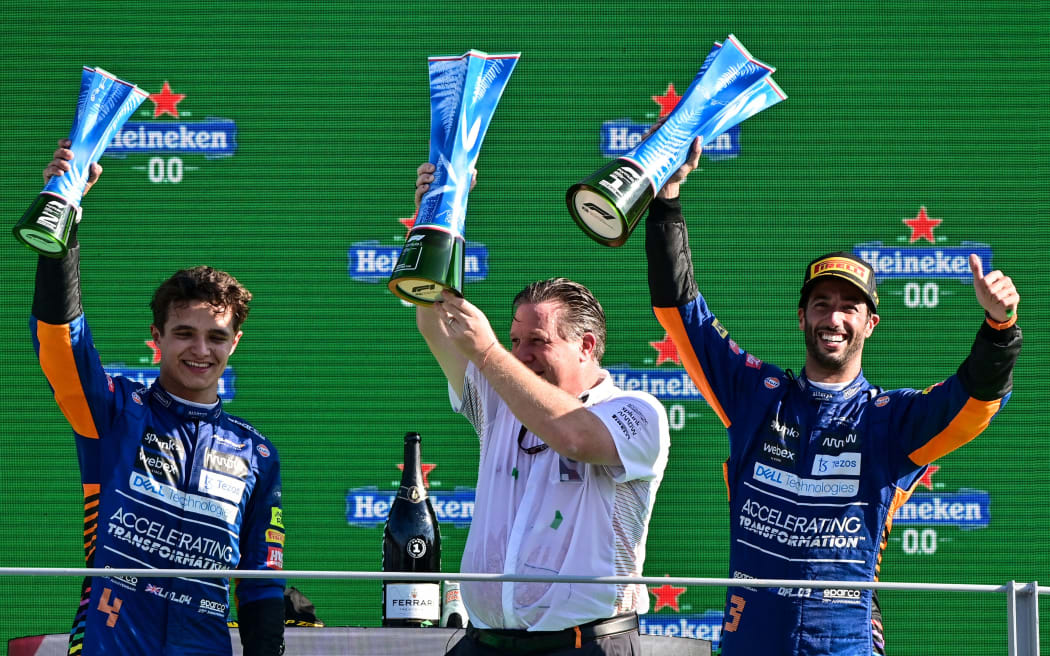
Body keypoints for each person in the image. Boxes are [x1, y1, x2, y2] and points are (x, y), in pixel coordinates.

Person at [643, 139, 1022, 655]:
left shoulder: (891, 421)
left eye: (850, 307)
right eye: (821, 304)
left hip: (844, 642)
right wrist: (666, 203)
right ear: (802, 317)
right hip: (752, 638)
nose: (834, 318)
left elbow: (974, 402)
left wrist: (1000, 328)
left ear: (871, 323)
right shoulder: (757, 395)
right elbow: (681, 313)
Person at [31, 139, 286, 656]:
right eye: (184, 333)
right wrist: (65, 220)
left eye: (216, 337)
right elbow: (61, 342)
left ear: (235, 342)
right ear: (157, 337)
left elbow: (261, 581)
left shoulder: (257, 454)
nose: (200, 350)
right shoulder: (117, 413)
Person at [413, 163, 671, 655]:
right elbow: (433, 320)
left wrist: (489, 352)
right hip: (484, 642)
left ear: (586, 346)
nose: (521, 355)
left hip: (584, 645)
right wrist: (439, 214)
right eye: (513, 341)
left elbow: (574, 435)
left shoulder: (637, 412)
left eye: (537, 341)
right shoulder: (500, 394)